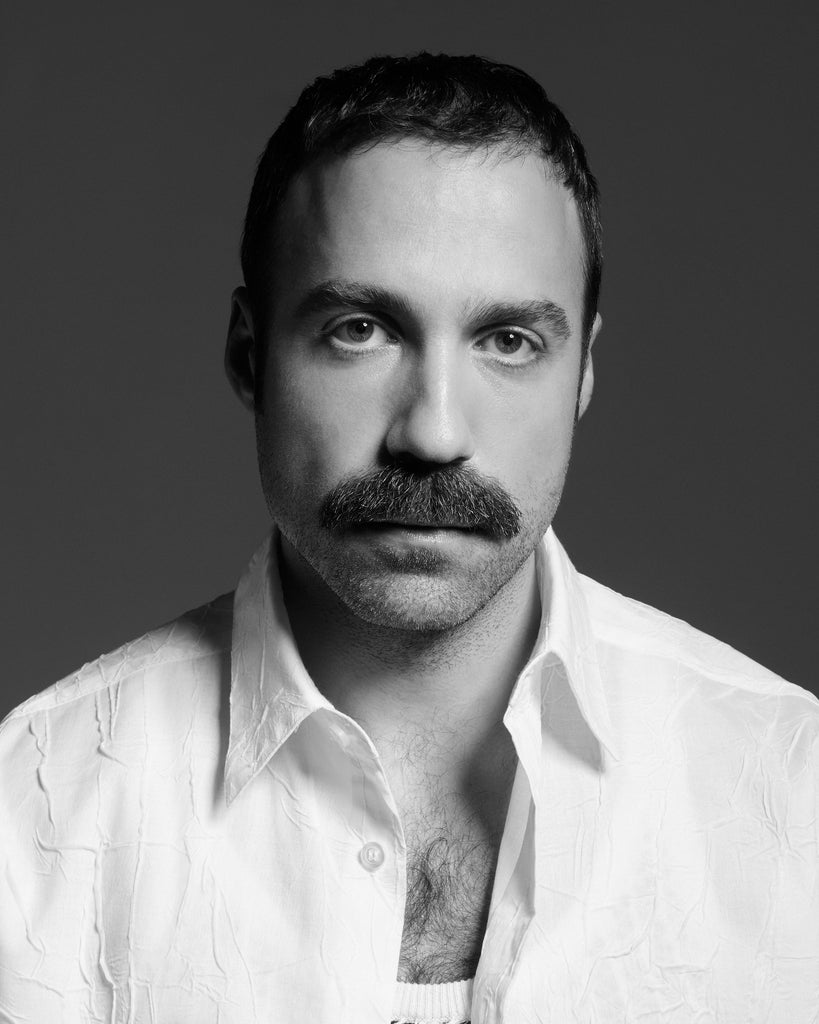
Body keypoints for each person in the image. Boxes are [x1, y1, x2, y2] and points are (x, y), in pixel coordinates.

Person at [0, 52, 816, 1024]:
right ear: (250, 356)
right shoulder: (28, 820)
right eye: (360, 329)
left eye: (508, 341)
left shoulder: (790, 796)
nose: (432, 432)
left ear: (584, 374)